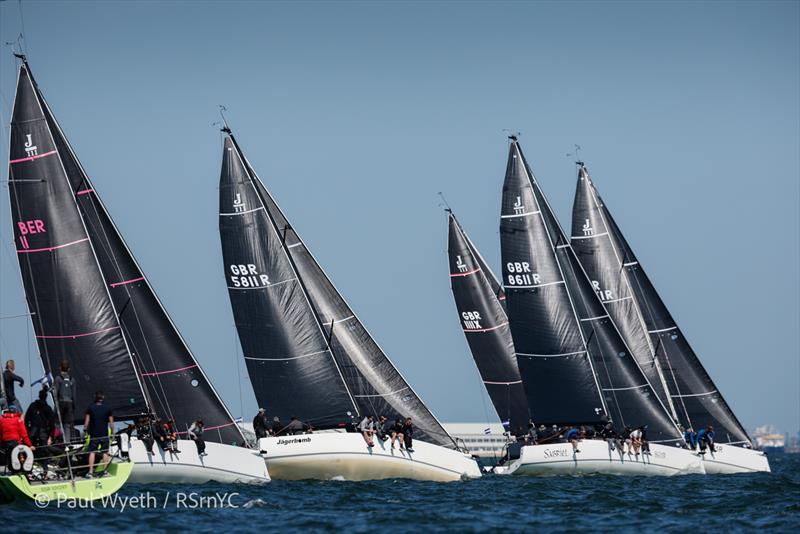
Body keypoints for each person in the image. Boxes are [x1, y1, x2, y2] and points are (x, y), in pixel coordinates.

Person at [83, 391, 113, 478]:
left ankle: (90, 472)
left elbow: (87, 422)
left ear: (95, 397)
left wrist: (85, 430)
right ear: (102, 397)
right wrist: (113, 432)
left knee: (92, 452)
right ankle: (105, 472)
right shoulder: (107, 408)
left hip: (94, 434)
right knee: (105, 452)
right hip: (104, 434)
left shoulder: (90, 408)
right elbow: (111, 422)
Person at [0, 404, 33, 469]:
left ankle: (11, 469)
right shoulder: (18, 420)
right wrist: (30, 445)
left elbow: (0, 434)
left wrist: (1, 445)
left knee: (9, 456)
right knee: (20, 455)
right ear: (16, 411)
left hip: (6, 443)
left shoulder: (1, 420)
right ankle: (20, 470)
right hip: (15, 443)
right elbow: (24, 435)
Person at [53, 360, 76, 442]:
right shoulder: (72, 379)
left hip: (61, 402)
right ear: (69, 369)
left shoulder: (58, 378)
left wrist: (56, 404)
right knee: (67, 424)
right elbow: (74, 394)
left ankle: (59, 440)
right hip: (69, 403)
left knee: (57, 422)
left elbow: (55, 392)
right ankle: (67, 442)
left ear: (60, 368)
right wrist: (74, 405)